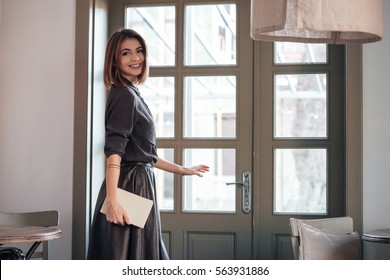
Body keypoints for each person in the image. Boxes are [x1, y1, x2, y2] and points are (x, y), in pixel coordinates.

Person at [87, 29, 209, 260]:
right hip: (129, 187)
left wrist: (182, 170)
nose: (136, 58)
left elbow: (145, 156)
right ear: (114, 60)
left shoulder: (131, 93)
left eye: (139, 51)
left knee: (143, 256)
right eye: (126, 53)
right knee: (131, 257)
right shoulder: (124, 95)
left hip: (138, 184)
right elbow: (115, 152)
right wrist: (112, 200)